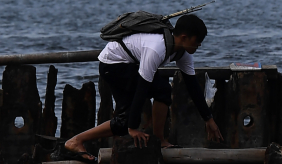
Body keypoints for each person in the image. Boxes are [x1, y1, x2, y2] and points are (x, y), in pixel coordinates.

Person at [62, 14, 222, 161]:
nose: (199, 45)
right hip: (113, 65)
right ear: (184, 37)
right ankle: (75, 141)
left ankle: (159, 139)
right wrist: (132, 128)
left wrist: (209, 119)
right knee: (128, 121)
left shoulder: (182, 53)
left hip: (129, 65)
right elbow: (142, 87)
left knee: (159, 93)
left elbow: (192, 85)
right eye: (197, 41)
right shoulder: (156, 49)